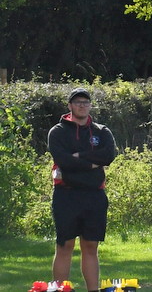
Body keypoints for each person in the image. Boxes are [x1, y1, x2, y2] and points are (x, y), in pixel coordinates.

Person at [48, 87, 118, 292]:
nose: (82, 106)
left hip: (94, 195)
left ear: (90, 105)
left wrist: (79, 156)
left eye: (85, 102)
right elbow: (64, 161)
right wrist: (92, 163)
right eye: (78, 102)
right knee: (65, 245)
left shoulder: (101, 131)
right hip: (66, 195)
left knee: (90, 246)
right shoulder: (58, 132)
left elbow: (108, 155)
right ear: (70, 105)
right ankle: (60, 289)